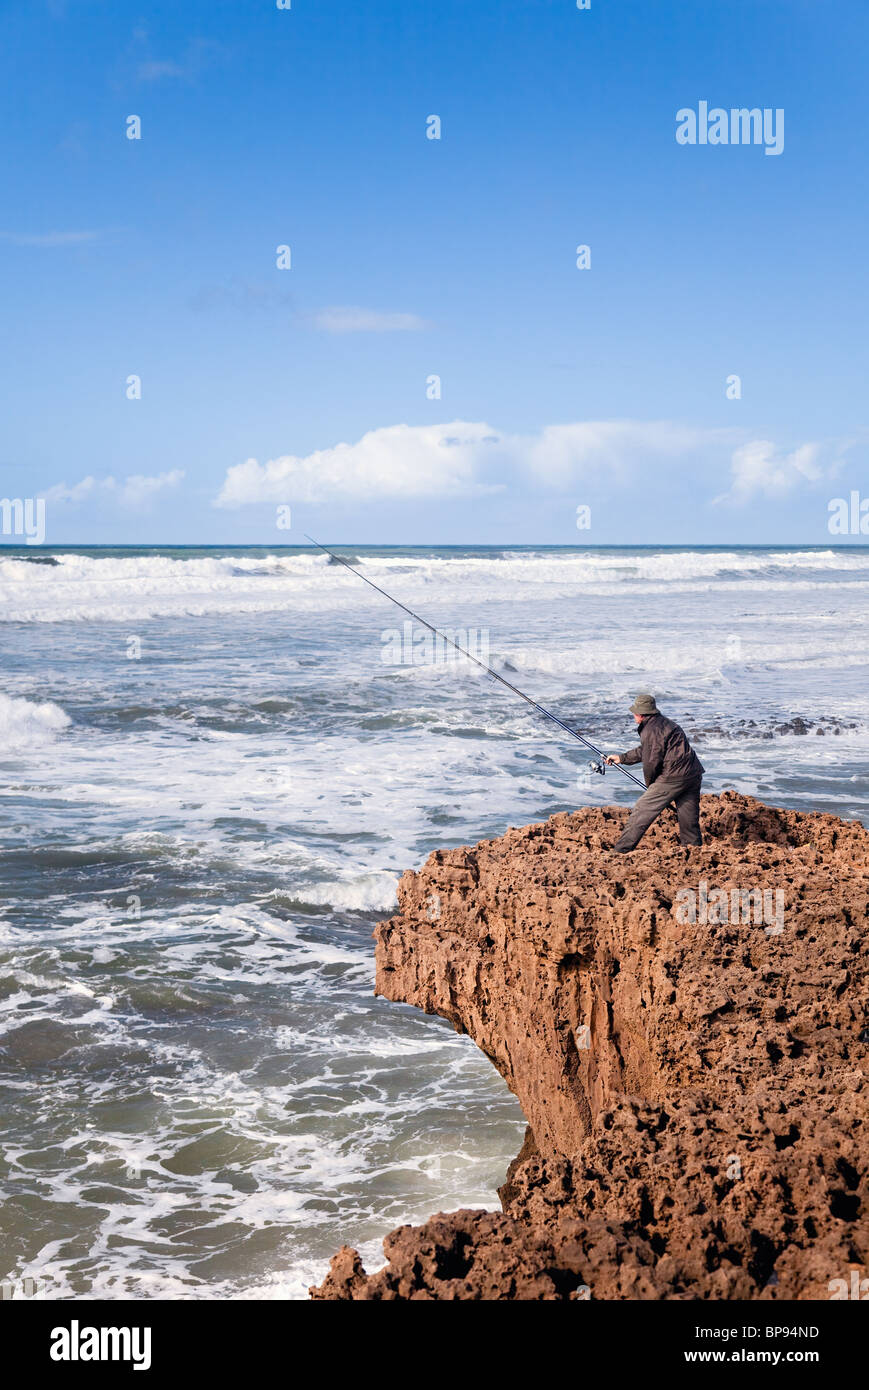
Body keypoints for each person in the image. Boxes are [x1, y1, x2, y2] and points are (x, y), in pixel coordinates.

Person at [605, 694, 704, 852]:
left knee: (641, 810)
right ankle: (695, 852)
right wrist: (622, 758)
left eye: (634, 713)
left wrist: (652, 788)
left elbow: (651, 761)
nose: (633, 715)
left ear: (641, 714)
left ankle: (620, 851)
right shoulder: (664, 723)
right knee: (688, 819)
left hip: (673, 777)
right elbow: (647, 750)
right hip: (693, 773)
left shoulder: (651, 729)